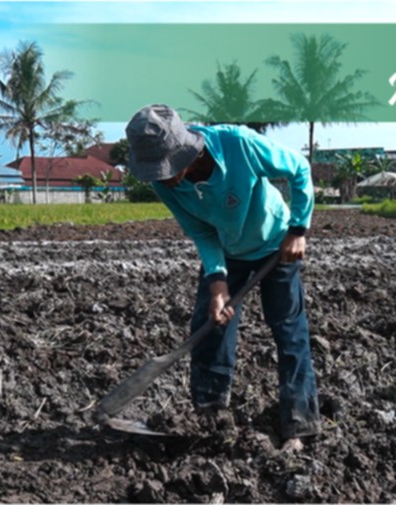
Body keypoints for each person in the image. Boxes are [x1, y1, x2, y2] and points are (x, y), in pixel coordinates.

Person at [124, 104, 321, 451]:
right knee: (211, 324)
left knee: (288, 329)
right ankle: (210, 416)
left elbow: (299, 170)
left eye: (167, 167)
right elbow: (201, 232)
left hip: (276, 243)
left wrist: (298, 229)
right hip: (227, 252)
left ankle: (299, 423)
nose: (164, 177)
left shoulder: (239, 144)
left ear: (184, 148)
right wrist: (217, 284)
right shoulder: (164, 184)